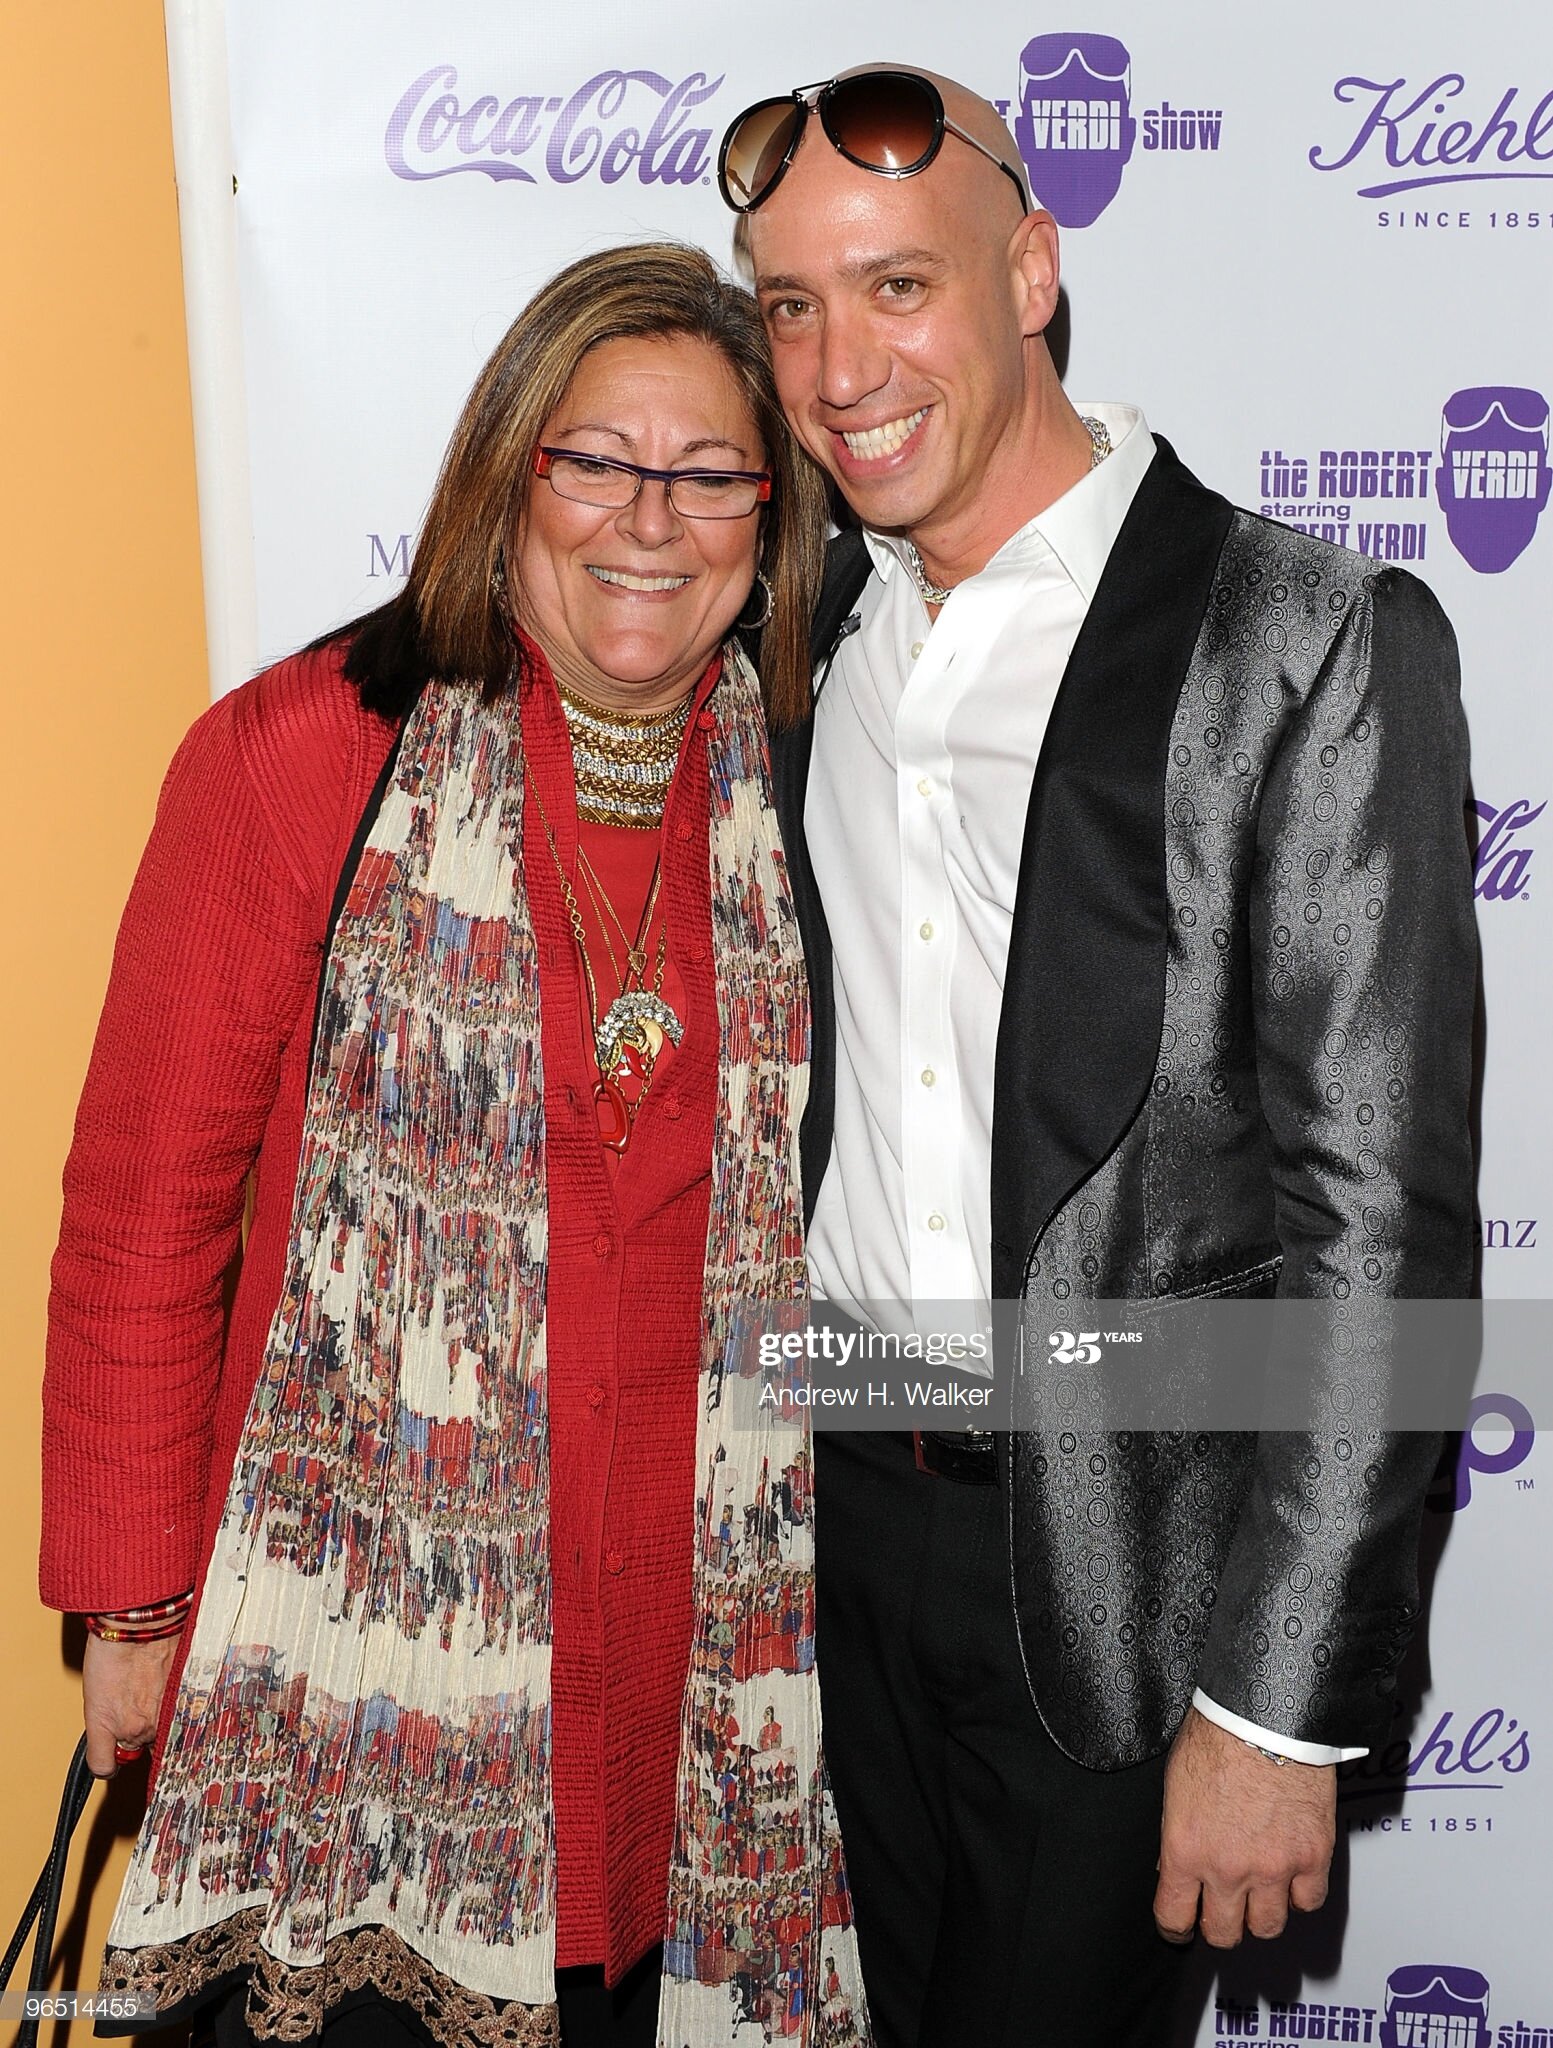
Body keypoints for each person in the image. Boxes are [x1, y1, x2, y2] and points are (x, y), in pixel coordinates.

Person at [718, 65, 1477, 2048]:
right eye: (788, 305)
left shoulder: (1295, 634)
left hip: (1128, 1587)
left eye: (896, 287)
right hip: (820, 1550)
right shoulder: (801, 629)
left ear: (1033, 270)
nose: (835, 365)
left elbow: (1375, 1220)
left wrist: (1277, 1704)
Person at [40, 242, 872, 2048]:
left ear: (771, 510)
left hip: (705, 1682)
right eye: (595, 460)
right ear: (508, 475)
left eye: (709, 472)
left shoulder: (821, 783)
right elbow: (139, 1213)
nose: (649, 521)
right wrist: (131, 1603)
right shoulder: (297, 753)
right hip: (359, 1678)